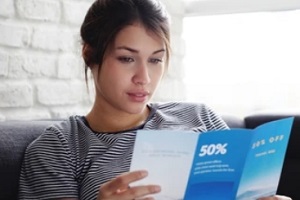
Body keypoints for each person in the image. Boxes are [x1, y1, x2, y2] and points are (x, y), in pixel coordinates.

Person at [18, 0, 291, 199]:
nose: (144, 78)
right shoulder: (59, 148)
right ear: (90, 55)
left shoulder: (199, 116)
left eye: (155, 60)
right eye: (127, 58)